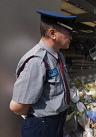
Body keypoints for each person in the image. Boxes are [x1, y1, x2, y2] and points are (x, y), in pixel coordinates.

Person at [9, 9, 77, 137]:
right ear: (52, 33)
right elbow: (18, 107)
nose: (71, 37)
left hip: (57, 121)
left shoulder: (58, 56)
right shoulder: (37, 61)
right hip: (42, 126)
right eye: (67, 33)